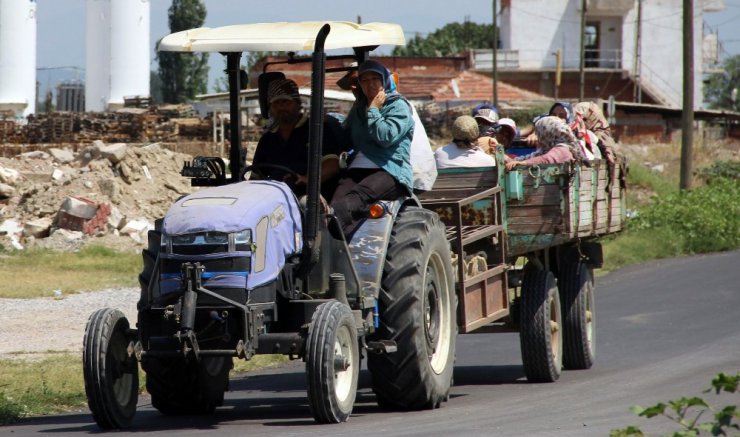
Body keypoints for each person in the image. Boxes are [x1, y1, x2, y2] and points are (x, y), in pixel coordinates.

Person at [330, 60, 414, 238]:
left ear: (384, 81)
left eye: (375, 79)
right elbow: (346, 137)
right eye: (365, 80)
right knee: (333, 209)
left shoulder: (398, 106)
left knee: (350, 203)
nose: (371, 84)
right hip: (357, 169)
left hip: (388, 170)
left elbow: (385, 137)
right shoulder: (359, 107)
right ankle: (340, 253)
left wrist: (374, 110)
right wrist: (328, 122)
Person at [251, 78, 342, 199]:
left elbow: (332, 166)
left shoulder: (317, 129)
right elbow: (257, 175)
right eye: (276, 104)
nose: (281, 108)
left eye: (286, 102)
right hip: (275, 195)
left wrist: (308, 179)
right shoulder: (267, 139)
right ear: (270, 108)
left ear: (298, 103)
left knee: (305, 204)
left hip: (308, 194)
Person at [505, 116, 583, 171]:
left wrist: (523, 163)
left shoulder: (563, 149)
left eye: (540, 135)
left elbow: (545, 159)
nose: (539, 139)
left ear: (548, 134)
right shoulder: (547, 150)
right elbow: (525, 158)